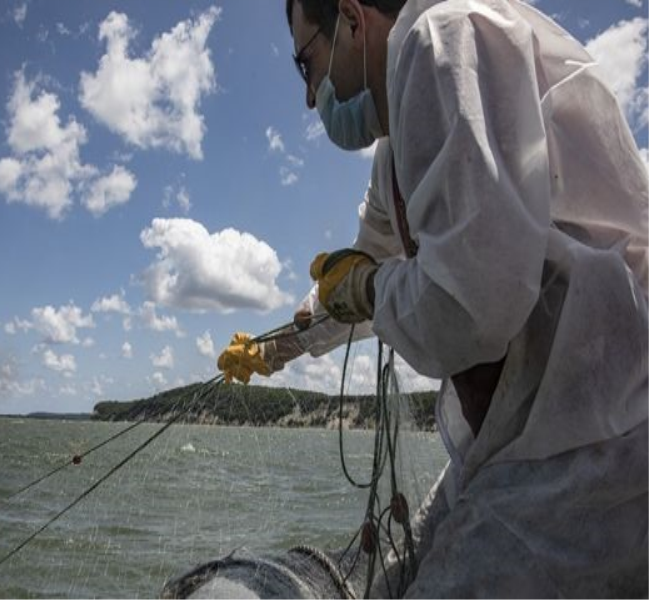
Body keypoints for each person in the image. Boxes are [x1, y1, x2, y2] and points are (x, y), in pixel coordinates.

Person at [218, 0, 649, 596]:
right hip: (518, 432)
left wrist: (366, 288)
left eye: (305, 63)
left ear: (349, 16)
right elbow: (363, 267)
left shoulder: (443, 39)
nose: (310, 96)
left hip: (601, 436)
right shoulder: (394, 150)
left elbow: (471, 306)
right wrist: (275, 350)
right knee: (394, 579)